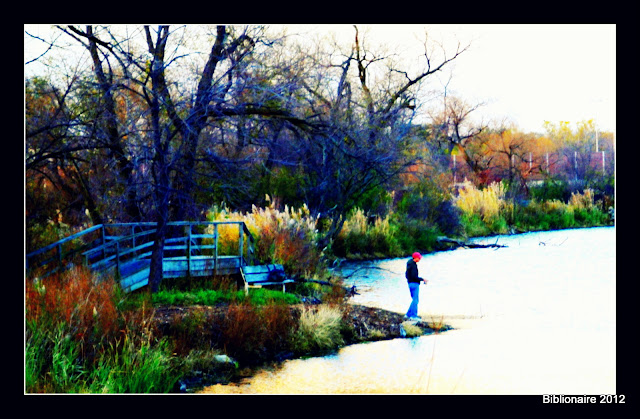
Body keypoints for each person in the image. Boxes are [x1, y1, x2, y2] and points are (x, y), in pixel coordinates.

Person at [405, 252, 427, 320]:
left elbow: (407, 275)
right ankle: (414, 316)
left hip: (410, 283)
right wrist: (422, 279)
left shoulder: (409, 264)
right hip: (414, 284)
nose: (420, 259)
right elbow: (414, 276)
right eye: (419, 258)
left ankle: (408, 314)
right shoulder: (413, 266)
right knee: (415, 300)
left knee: (414, 300)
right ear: (416, 258)